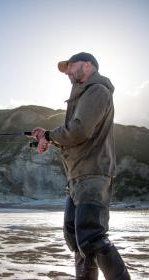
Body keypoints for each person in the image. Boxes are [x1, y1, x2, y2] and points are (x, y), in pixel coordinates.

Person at [31, 52, 131, 280]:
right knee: (75, 238)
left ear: (87, 65)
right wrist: (48, 138)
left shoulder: (97, 91)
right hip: (76, 176)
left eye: (70, 65)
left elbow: (79, 130)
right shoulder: (84, 94)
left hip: (93, 174)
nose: (67, 71)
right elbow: (76, 135)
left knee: (91, 235)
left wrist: (49, 134)